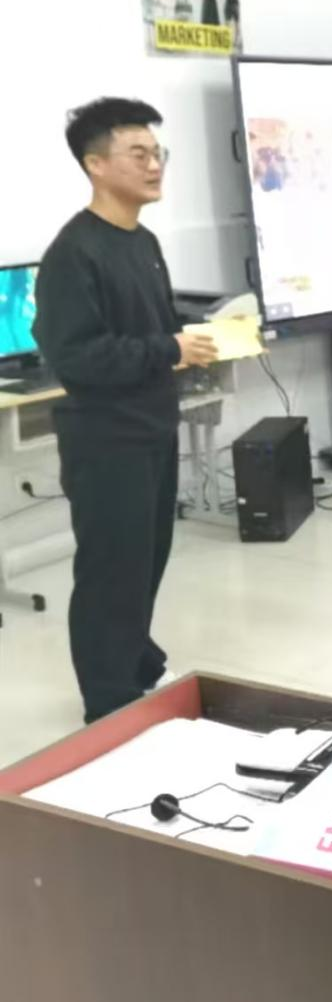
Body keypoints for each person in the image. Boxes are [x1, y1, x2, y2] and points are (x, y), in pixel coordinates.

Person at [33, 98, 218, 723]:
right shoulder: (74, 254)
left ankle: (135, 658)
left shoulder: (143, 241)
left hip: (152, 427)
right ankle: (108, 703)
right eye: (137, 154)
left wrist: (201, 335)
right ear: (96, 165)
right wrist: (169, 348)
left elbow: (153, 327)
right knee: (111, 571)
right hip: (105, 440)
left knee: (146, 560)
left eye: (157, 153)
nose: (154, 165)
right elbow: (75, 356)